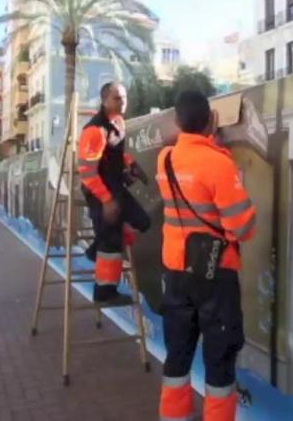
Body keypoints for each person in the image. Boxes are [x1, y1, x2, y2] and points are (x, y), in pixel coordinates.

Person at [156, 90, 257, 421]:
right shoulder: (219, 164)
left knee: (178, 355)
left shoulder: (165, 160)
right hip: (216, 276)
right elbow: (243, 228)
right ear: (212, 121)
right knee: (219, 360)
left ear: (177, 122)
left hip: (176, 272)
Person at [77, 81, 151, 305]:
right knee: (111, 243)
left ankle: (94, 249)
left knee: (143, 221)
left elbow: (115, 154)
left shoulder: (119, 122)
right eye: (117, 98)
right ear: (105, 101)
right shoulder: (94, 130)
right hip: (99, 190)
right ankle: (104, 293)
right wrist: (107, 201)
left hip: (115, 186)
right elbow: (88, 174)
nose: (123, 101)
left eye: (124, 97)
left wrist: (131, 165)